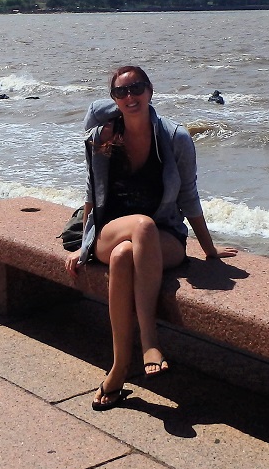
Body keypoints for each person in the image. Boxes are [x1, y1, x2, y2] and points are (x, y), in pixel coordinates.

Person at [64, 65, 237, 410]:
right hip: (110, 231)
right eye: (121, 92)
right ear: (113, 98)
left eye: (137, 88)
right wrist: (84, 247)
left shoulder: (175, 138)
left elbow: (188, 197)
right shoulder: (101, 137)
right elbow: (90, 195)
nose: (131, 97)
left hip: (165, 236)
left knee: (124, 254)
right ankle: (149, 341)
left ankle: (117, 368)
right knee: (136, 229)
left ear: (150, 90)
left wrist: (209, 250)